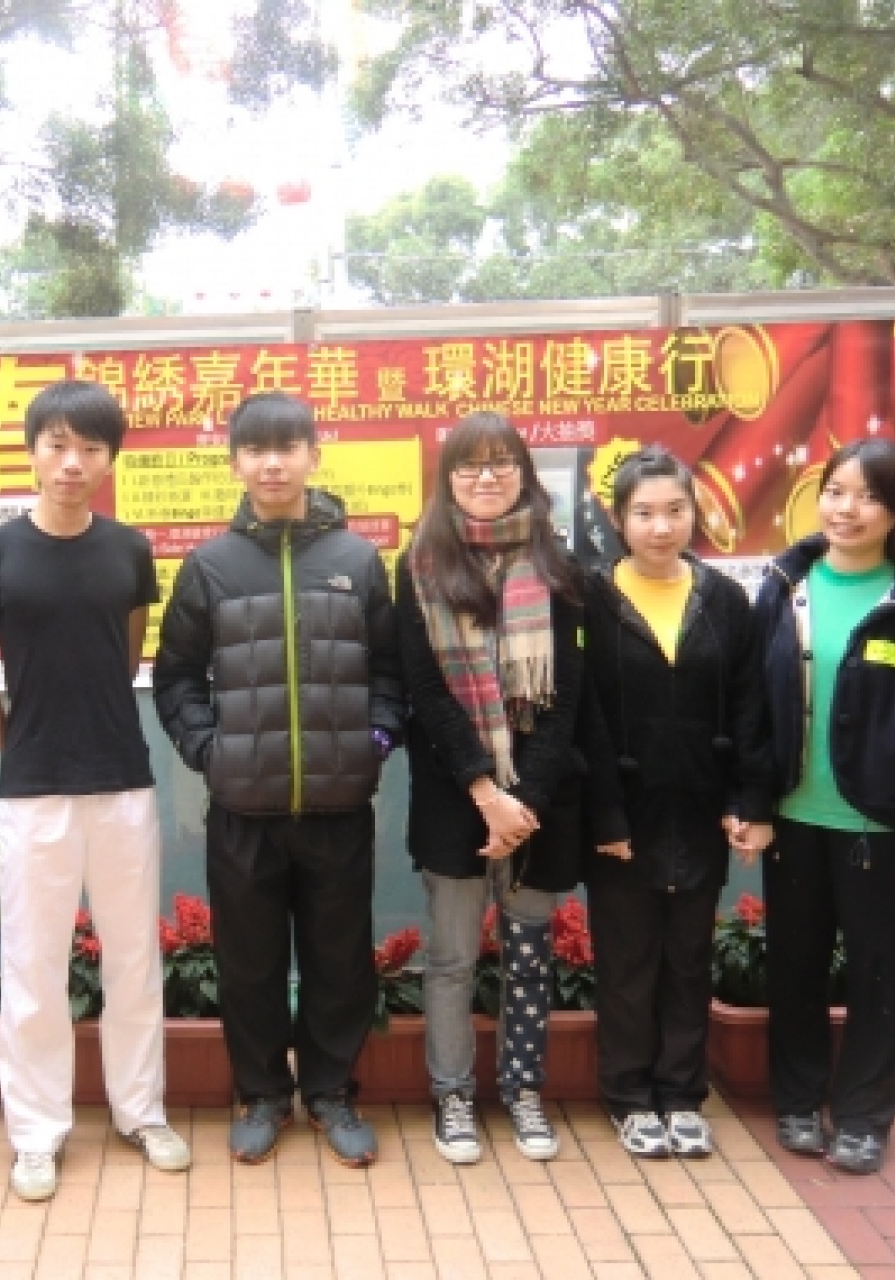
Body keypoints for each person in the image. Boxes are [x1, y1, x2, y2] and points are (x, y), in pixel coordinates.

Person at [0, 380, 190, 1203]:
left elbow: (125, 659)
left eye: (90, 448)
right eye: (57, 445)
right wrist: (18, 744)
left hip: (122, 782)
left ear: (109, 459)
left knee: (134, 959)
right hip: (33, 794)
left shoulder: (129, 550)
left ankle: (141, 1112)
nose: (72, 462)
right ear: (32, 451)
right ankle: (36, 1133)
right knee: (33, 967)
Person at [153, 392, 404, 1167]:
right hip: (243, 807)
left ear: (312, 456)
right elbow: (176, 677)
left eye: (286, 448)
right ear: (235, 462)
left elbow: (391, 669)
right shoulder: (210, 566)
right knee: (250, 963)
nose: (272, 463)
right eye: (256, 450)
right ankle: (262, 1094)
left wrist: (375, 737)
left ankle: (330, 1093)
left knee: (339, 960)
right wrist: (210, 751)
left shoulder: (357, 561)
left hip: (338, 804)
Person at [753, 438, 895, 1175]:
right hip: (793, 820)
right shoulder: (783, 587)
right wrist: (752, 801)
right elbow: (753, 708)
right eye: (836, 491)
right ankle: (797, 1099)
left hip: (878, 826)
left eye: (869, 496)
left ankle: (865, 1117)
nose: (847, 510)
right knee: (794, 969)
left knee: (879, 977)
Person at [396, 411, 588, 1166]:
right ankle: (452, 1094)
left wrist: (525, 802)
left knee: (530, 952)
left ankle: (523, 1089)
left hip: (538, 800)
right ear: (447, 479)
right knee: (451, 960)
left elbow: (567, 695)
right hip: (456, 798)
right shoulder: (418, 565)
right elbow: (423, 690)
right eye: (469, 465)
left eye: (502, 462)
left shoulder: (557, 563)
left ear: (524, 473)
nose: (486, 477)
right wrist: (485, 792)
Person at [580, 446, 771, 1160]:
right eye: (644, 513)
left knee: (689, 959)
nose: (661, 527)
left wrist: (748, 800)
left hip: (699, 811)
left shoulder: (724, 601)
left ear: (695, 513)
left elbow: (750, 707)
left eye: (675, 510)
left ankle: (682, 1094)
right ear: (618, 520)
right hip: (621, 816)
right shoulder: (591, 600)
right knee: (627, 961)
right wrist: (604, 814)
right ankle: (629, 1096)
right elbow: (583, 719)